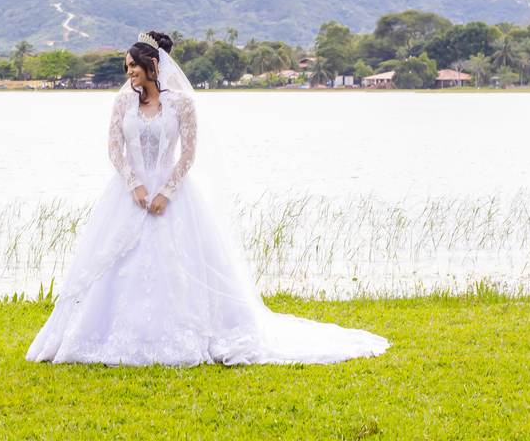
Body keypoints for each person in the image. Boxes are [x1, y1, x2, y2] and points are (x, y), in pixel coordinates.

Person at [27, 30, 389, 366]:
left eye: (134, 66)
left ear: (153, 66)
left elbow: (188, 154)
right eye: (127, 68)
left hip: (172, 195)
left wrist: (166, 192)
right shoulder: (123, 102)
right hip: (129, 195)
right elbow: (113, 149)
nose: (129, 73)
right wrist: (134, 183)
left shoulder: (182, 103)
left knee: (181, 266)